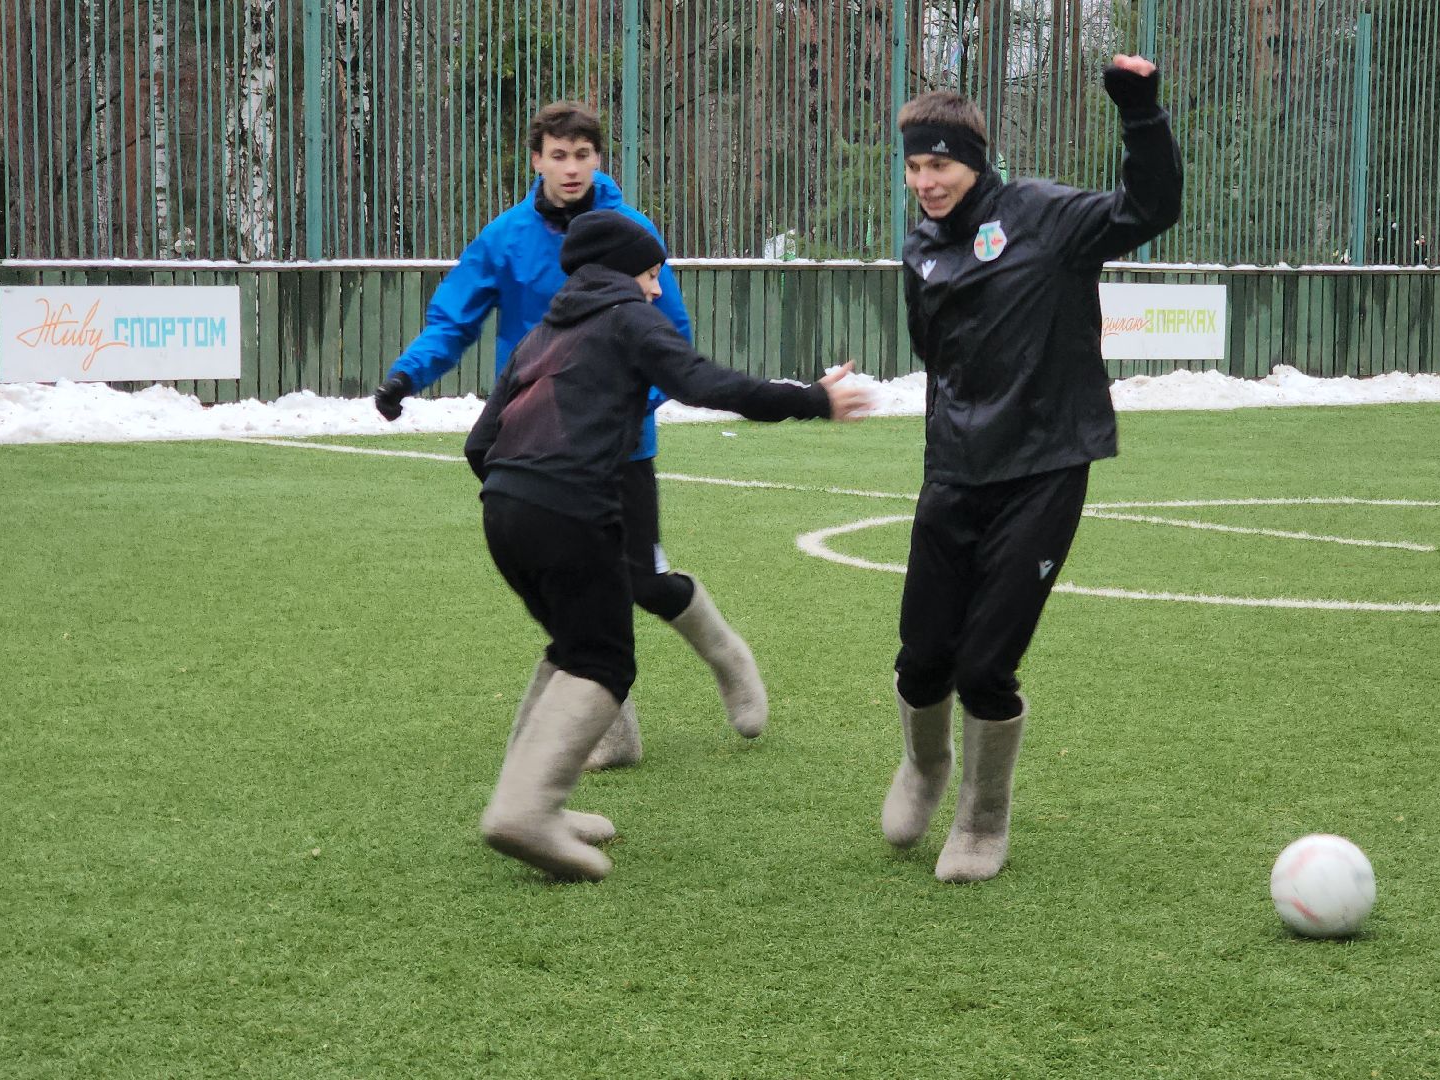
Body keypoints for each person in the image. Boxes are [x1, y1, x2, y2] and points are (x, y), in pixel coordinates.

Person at [467, 211, 871, 880]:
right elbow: (706, 383)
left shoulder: (543, 332)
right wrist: (813, 400)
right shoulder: (629, 316)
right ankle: (524, 813)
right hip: (569, 507)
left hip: (502, 509)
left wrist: (524, 495)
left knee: (572, 649)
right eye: (653, 275)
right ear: (629, 274)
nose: (657, 291)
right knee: (602, 664)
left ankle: (537, 801)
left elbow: (478, 444)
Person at [371, 100, 764, 772]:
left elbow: (674, 341)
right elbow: (453, 319)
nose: (571, 167)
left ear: (599, 158)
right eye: (559, 154)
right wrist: (407, 374)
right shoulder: (505, 238)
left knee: (641, 578)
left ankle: (727, 656)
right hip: (536, 446)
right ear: (537, 160)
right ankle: (612, 731)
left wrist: (624, 406)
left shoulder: (633, 234)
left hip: (620, 446)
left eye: (583, 154)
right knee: (567, 588)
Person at [878, 56, 1184, 883]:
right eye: (913, 166)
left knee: (985, 664)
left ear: (975, 159)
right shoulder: (921, 249)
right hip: (954, 469)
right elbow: (933, 352)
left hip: (1044, 468)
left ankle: (982, 816)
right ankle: (926, 764)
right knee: (921, 658)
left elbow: (1150, 206)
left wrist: (1140, 113)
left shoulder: (1044, 216)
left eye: (937, 163)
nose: (925, 181)